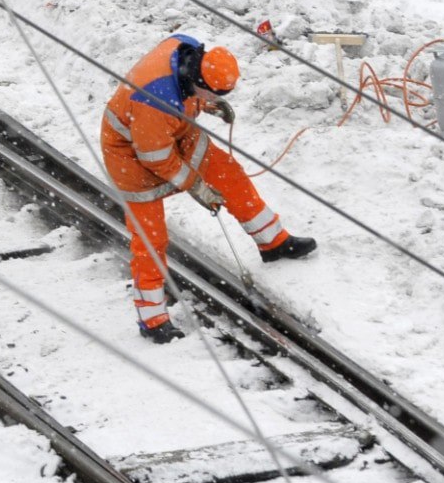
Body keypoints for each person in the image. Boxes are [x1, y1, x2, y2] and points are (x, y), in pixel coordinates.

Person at [102, 35, 316, 343]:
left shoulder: (186, 51)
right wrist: (197, 187)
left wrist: (209, 104)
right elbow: (156, 158)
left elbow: (185, 92)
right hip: (131, 156)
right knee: (150, 238)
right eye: (211, 92)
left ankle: (273, 243)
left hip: (174, 129)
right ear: (199, 79)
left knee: (229, 174)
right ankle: (153, 319)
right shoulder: (153, 99)